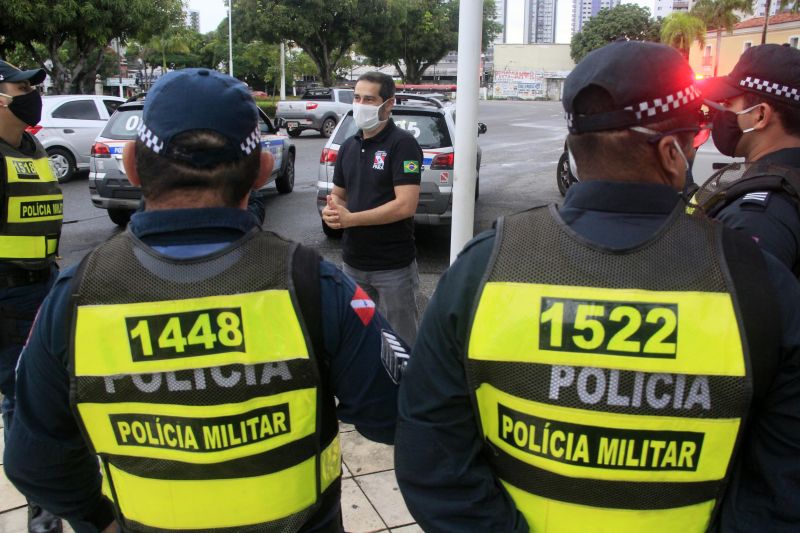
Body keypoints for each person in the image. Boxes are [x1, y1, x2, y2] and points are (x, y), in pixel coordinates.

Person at [395, 41, 800, 532]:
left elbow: (431, 456)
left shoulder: (484, 268)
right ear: (673, 153)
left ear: (573, 146)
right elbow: (780, 488)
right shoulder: (760, 283)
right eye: (694, 138)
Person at [4, 68, 407, 533]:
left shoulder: (74, 298)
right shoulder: (314, 286)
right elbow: (401, 412)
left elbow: (34, 461)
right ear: (261, 169)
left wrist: (99, 520)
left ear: (131, 164)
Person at [0, 59, 64, 533]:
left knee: (43, 397)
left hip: (40, 285)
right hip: (7, 297)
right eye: (20, 87)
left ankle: (48, 505)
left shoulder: (30, 144)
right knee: (22, 403)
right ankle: (40, 514)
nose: (29, 94)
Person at [321, 72, 423, 345]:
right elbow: (339, 194)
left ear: (388, 104)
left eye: (369, 98)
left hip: (393, 267)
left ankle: (404, 388)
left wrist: (351, 219)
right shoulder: (349, 147)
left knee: (401, 342)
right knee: (359, 340)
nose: (360, 104)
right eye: (357, 97)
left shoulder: (403, 145)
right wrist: (332, 211)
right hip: (353, 264)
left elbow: (406, 205)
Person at [697, 44, 800, 275]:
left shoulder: (756, 218)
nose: (719, 114)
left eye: (728, 104)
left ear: (760, 115)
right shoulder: (785, 182)